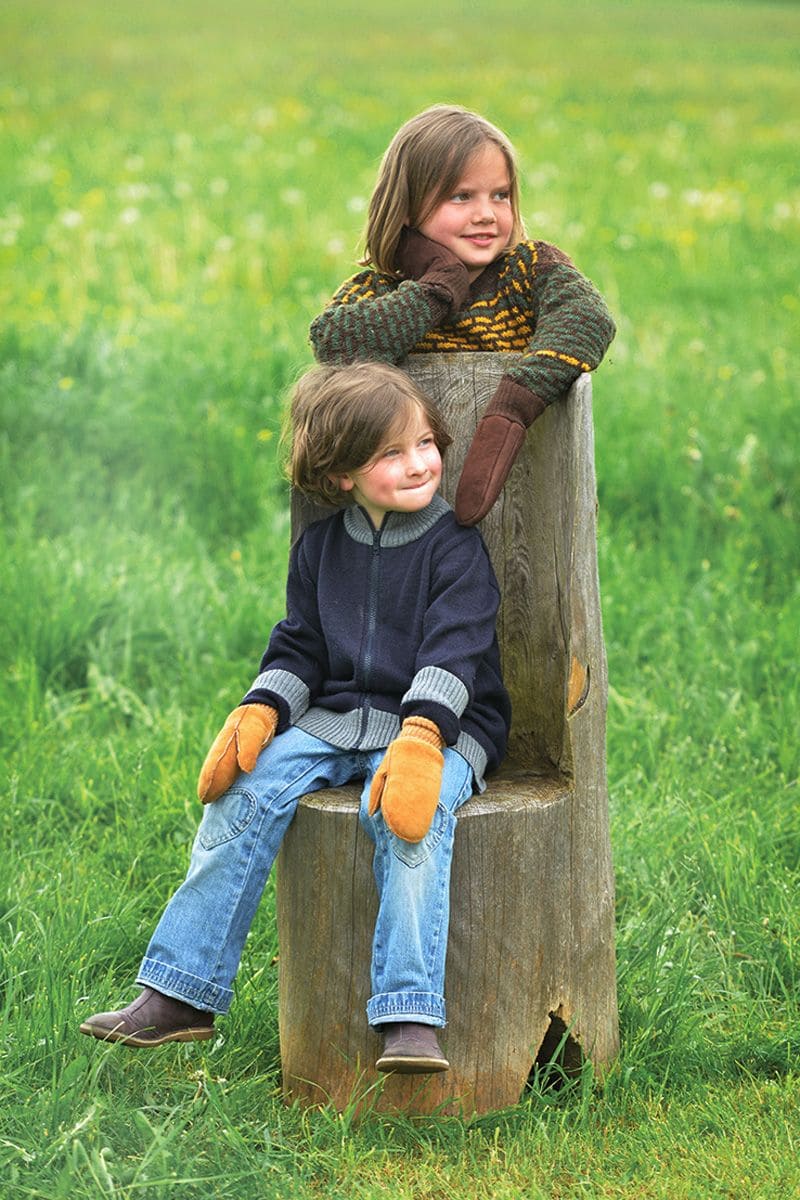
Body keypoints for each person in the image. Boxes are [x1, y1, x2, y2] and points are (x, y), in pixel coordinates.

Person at [79, 361, 511, 1075]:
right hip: (338, 715)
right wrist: (261, 708)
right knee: (241, 795)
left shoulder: (453, 547)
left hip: (442, 727)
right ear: (341, 474)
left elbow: (456, 648)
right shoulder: (321, 548)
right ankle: (181, 993)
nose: (419, 464)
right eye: (391, 454)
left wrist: (424, 737)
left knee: (411, 818)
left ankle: (408, 1013)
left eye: (426, 444)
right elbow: (301, 645)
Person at [310, 103, 615, 526]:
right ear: (410, 208)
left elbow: (588, 319)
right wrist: (440, 287)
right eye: (461, 196)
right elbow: (334, 343)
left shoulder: (528, 271)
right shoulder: (382, 290)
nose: (486, 214)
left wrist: (513, 405)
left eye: (500, 195)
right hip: (402, 519)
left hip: (528, 511)